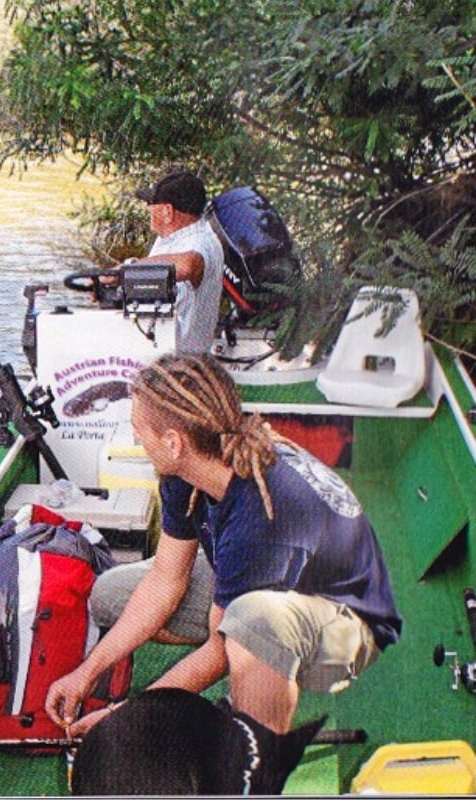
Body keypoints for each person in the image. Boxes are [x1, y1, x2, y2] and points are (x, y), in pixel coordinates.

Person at [45, 353, 401, 739]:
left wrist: (130, 715)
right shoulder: (189, 465)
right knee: (110, 596)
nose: (136, 439)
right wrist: (86, 672)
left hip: (347, 627)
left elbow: (220, 650)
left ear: (172, 441)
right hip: (268, 568)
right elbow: (166, 577)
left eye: (138, 429)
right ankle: (233, 613)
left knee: (242, 653)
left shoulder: (260, 518)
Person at [129, 170, 224, 354]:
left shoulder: (200, 241)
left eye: (151, 203)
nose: (148, 209)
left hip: (183, 361)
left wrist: (127, 270)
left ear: (167, 211)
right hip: (161, 349)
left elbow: (188, 265)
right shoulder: (170, 237)